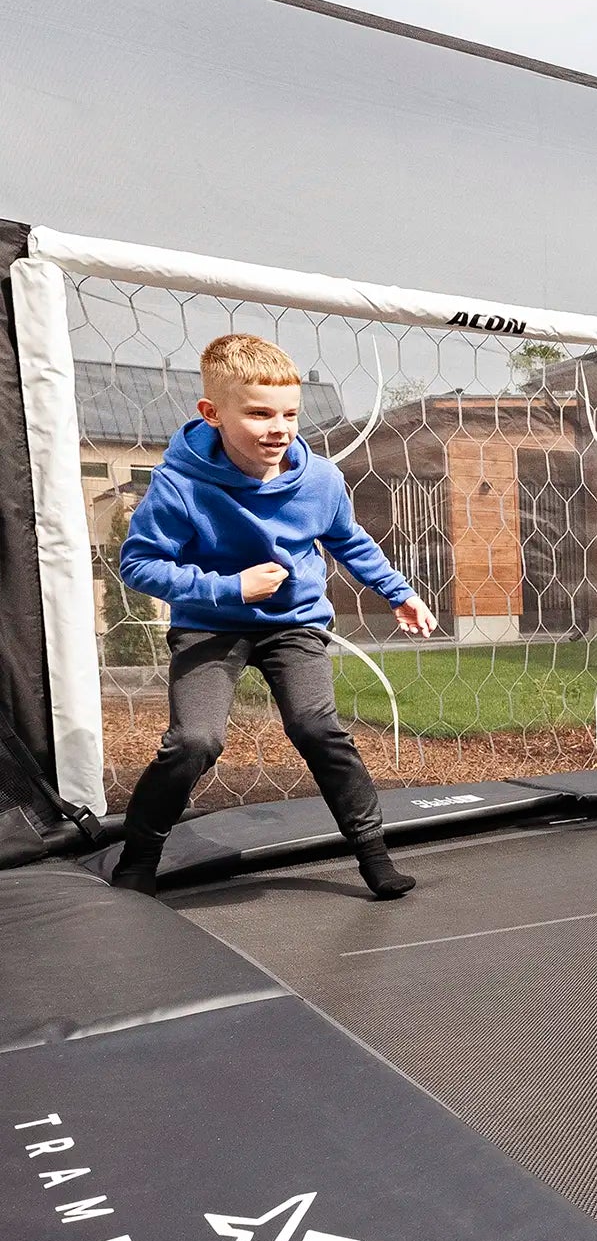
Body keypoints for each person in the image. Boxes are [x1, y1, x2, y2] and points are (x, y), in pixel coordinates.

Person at [111, 333, 439, 900]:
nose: (279, 428)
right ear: (212, 413)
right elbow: (138, 565)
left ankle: (374, 855)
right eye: (260, 414)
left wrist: (397, 591)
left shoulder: (320, 479)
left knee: (317, 727)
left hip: (294, 623)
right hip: (210, 624)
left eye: (290, 414)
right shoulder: (180, 484)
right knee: (194, 741)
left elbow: (348, 539)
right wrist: (231, 588)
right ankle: (138, 859)